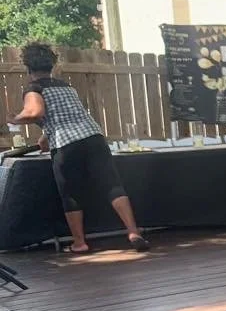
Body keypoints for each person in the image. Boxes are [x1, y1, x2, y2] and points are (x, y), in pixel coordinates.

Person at [8, 43, 149, 253]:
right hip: (93, 137)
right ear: (52, 66)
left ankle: (79, 243)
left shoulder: (34, 88)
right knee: (112, 185)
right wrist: (45, 138)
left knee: (70, 193)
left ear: (28, 69)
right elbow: (66, 116)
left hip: (66, 144)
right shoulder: (66, 87)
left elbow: (35, 112)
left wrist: (13, 119)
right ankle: (133, 231)